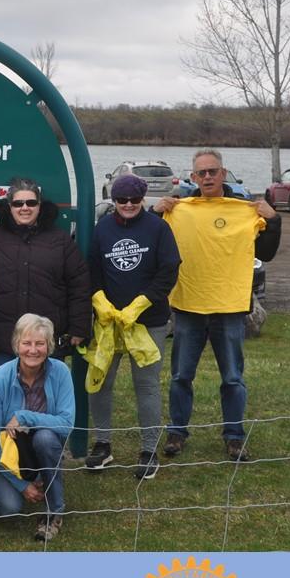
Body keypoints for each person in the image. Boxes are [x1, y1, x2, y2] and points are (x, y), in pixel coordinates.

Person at [153, 148, 282, 461]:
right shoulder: (179, 209)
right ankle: (177, 434)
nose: (207, 177)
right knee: (181, 376)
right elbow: (152, 243)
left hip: (229, 307)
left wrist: (274, 219)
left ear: (223, 174)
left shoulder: (242, 209)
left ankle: (234, 437)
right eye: (201, 173)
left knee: (233, 378)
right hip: (188, 306)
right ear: (193, 177)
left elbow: (265, 253)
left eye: (213, 171)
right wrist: (156, 213)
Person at [85, 174, 181, 479]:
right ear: (114, 201)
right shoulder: (103, 228)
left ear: (143, 200)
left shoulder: (159, 228)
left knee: (147, 386)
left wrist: (142, 303)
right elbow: (92, 270)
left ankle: (149, 450)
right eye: (121, 200)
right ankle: (102, 444)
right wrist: (100, 301)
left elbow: (168, 271)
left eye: (134, 200)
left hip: (147, 322)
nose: (128, 205)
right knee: (100, 384)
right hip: (110, 321)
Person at [0, 314, 75, 542]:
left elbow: (66, 423)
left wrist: (24, 416)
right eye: (27, 343)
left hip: (43, 446)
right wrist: (21, 486)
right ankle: (3, 480)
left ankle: (54, 512)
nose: (33, 350)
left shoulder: (61, 372)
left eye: (40, 343)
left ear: (49, 346)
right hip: (6, 454)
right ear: (16, 345)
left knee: (45, 438)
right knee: (9, 508)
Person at [0, 178, 91, 370]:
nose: (25, 208)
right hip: (4, 336)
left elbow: (79, 284)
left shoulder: (61, 240)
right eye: (18, 203)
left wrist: (79, 327)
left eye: (31, 203)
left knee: (47, 396)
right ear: (9, 206)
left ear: (39, 206)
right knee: (7, 395)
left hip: (47, 337)